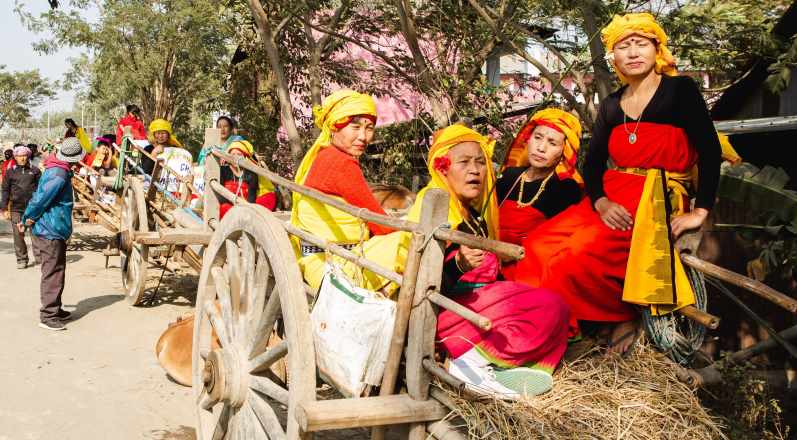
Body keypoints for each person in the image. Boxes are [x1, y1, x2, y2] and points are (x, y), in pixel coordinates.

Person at [510, 13, 722, 354]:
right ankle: (541, 323)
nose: (633, 52)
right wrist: (601, 202)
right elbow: (592, 164)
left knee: (576, 256)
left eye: (641, 44)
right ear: (614, 57)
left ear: (657, 50)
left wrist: (700, 211)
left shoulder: (680, 91)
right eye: (624, 46)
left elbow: (710, 151)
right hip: (612, 196)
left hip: (655, 197)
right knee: (536, 245)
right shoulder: (611, 105)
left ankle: (614, 317)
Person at [377, 124, 570, 399]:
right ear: (443, 168)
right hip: (442, 313)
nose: (475, 170)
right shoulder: (436, 214)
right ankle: (471, 363)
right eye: (464, 162)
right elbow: (416, 287)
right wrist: (459, 266)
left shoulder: (473, 216)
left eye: (480, 162)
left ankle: (498, 369)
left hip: (477, 303)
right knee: (549, 306)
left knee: (556, 309)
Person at [291, 89, 394, 290]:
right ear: (334, 127)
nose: (363, 136)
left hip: (314, 258)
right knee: (407, 242)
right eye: (355, 127)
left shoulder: (323, 154)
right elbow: (381, 225)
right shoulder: (342, 163)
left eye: (369, 128)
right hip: (334, 263)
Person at [21, 137, 85, 331]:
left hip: (54, 227)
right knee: (52, 273)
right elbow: (41, 200)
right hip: (50, 229)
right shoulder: (58, 175)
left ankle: (55, 309)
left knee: (57, 270)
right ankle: (48, 315)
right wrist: (27, 217)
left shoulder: (58, 169)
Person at [496, 108, 583, 247]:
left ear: (564, 151)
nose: (541, 148)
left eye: (552, 143)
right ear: (528, 138)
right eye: (537, 137)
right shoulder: (509, 175)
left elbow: (558, 243)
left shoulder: (566, 189)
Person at [1, 145, 42, 269]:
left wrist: (39, 205)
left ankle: (40, 259)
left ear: (28, 156)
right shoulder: (10, 171)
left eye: (24, 155)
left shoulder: (35, 171)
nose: (22, 158)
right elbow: (5, 190)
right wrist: (3, 208)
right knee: (18, 235)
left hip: (33, 208)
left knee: (35, 233)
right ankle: (22, 259)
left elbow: (41, 190)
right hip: (16, 208)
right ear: (15, 157)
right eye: (19, 156)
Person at [218, 138, 277, 217]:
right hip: (228, 206)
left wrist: (244, 207)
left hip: (246, 207)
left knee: (269, 198)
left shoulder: (251, 173)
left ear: (245, 157)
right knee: (224, 208)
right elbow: (220, 196)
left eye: (239, 155)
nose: (235, 157)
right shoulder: (223, 171)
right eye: (233, 154)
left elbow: (251, 199)